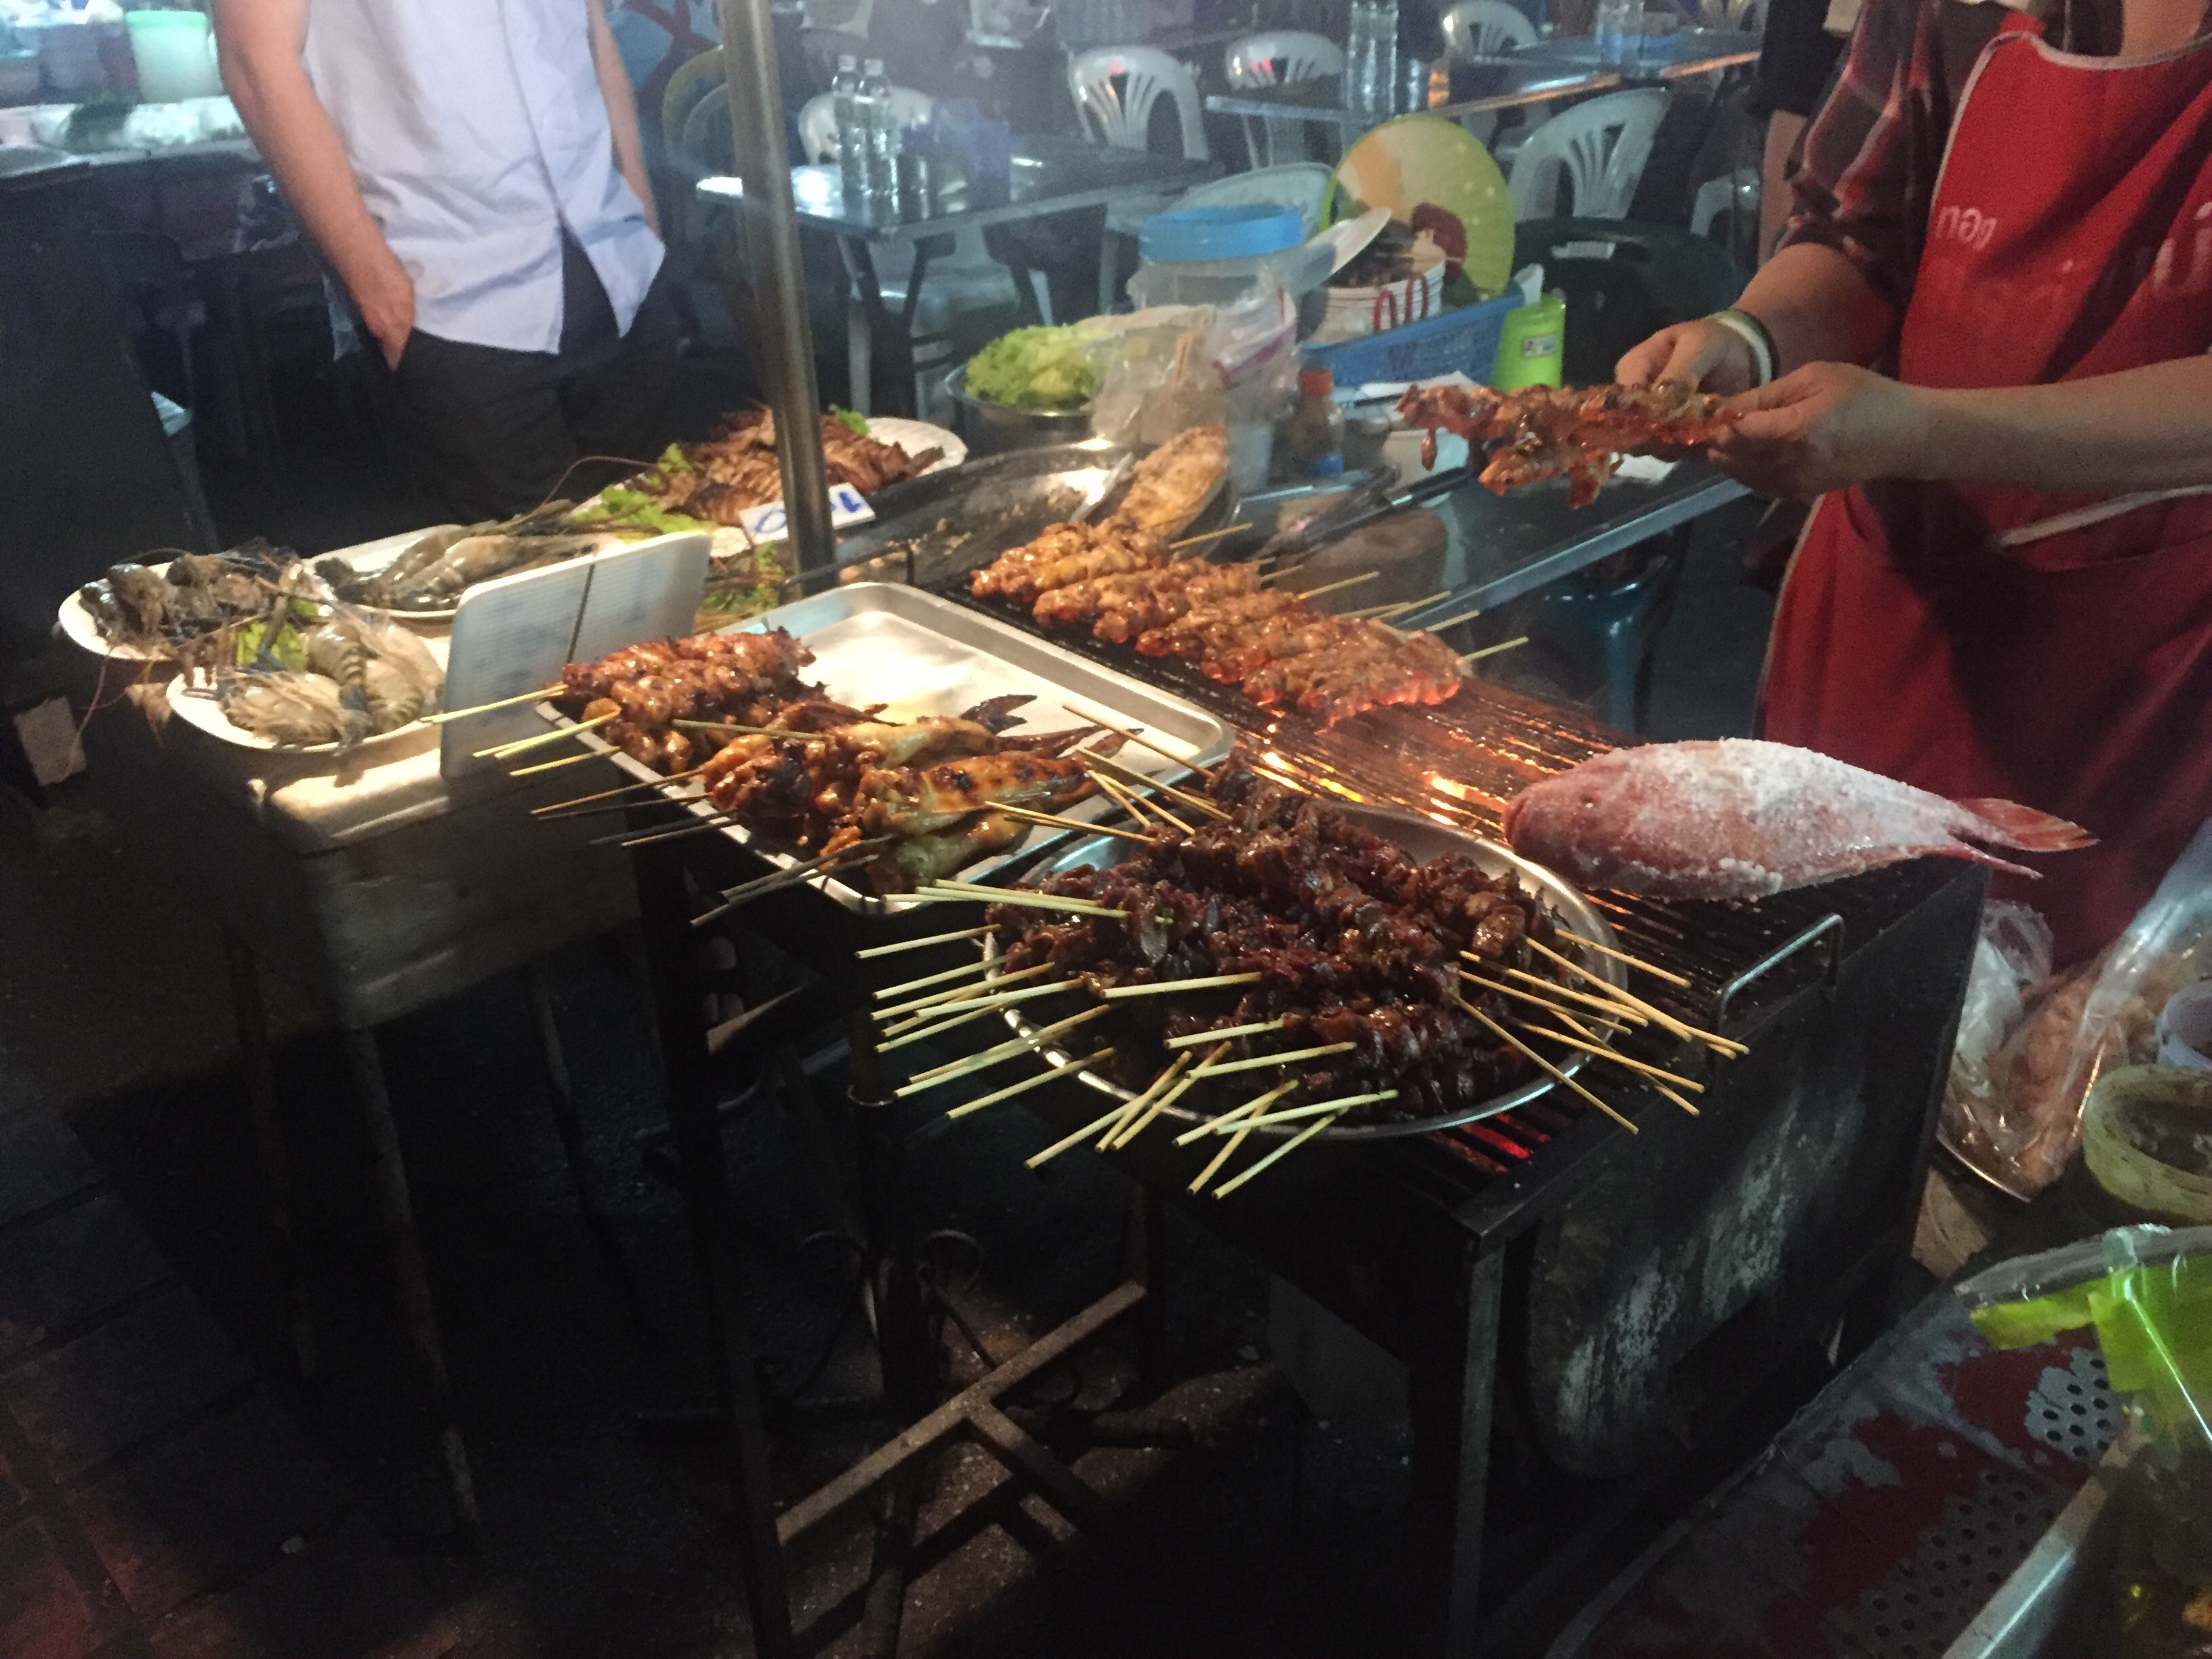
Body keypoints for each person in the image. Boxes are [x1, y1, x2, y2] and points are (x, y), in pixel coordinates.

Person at [1618, 0, 2212, 965]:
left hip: (2139, 676)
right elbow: (1857, 236)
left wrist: (1923, 432)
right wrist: (1749, 340)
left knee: (2056, 1029)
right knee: (1800, 975)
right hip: (1887, 609)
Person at [216, 0, 682, 522]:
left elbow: (588, 23)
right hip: (450, 301)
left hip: (617, 263)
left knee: (668, 544)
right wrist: (379, 298)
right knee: (528, 566)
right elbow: (254, 59)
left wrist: (641, 212)